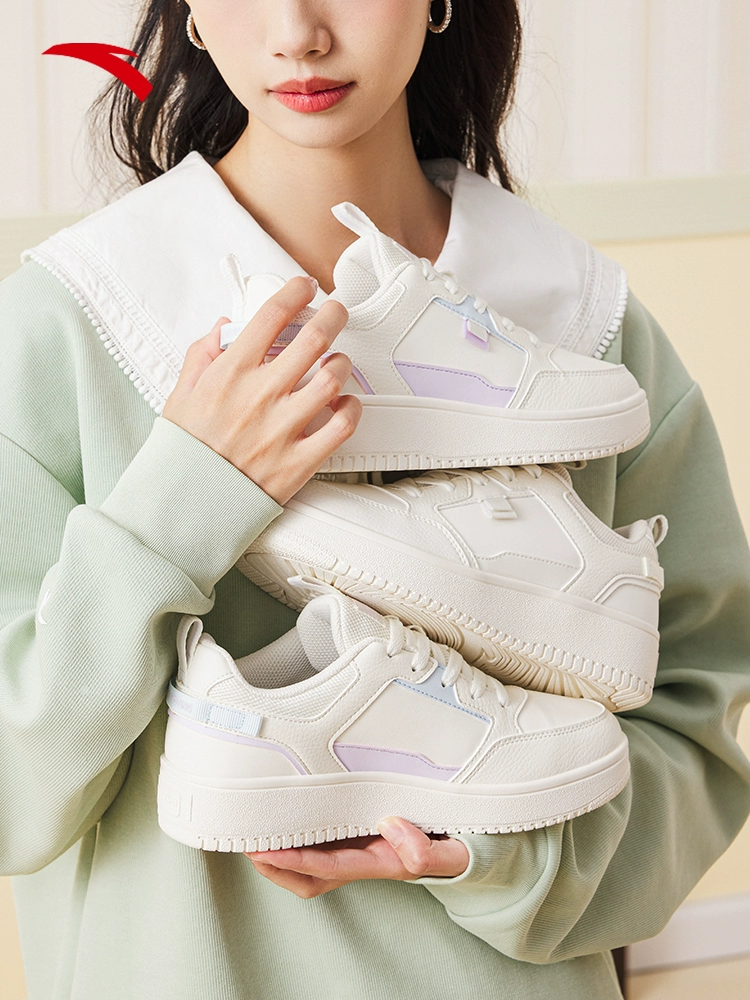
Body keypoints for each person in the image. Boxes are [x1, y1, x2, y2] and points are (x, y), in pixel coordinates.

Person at [1, 1, 749, 998]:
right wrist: (181, 500)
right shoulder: (71, 326)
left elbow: (693, 733)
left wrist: (498, 849)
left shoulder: (582, 330)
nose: (298, 31)